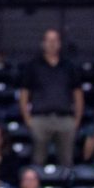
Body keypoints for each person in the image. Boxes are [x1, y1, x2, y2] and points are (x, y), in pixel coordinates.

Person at [20, 29, 83, 167]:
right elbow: (24, 94)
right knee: (38, 161)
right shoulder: (33, 66)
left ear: (59, 44)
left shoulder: (69, 66)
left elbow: (78, 94)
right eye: (49, 40)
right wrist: (28, 119)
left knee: (66, 162)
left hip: (65, 119)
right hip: (40, 119)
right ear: (43, 43)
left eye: (55, 40)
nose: (52, 44)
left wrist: (76, 120)